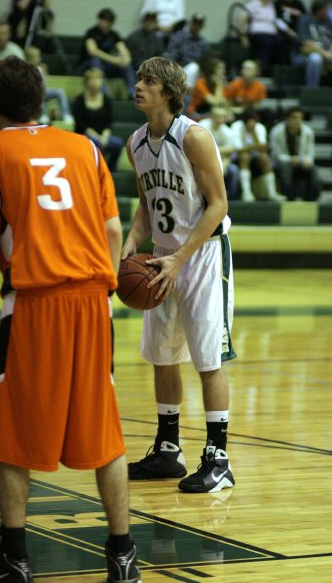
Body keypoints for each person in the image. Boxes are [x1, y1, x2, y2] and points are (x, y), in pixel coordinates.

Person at [0, 56, 141, 583]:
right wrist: (101, 293)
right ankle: (124, 558)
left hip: (34, 304)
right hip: (92, 301)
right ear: (40, 100)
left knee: (13, 431)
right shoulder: (85, 147)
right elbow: (110, 230)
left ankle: (15, 561)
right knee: (105, 428)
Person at [122, 56, 236, 493]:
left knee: (208, 358)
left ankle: (219, 460)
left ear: (168, 91)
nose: (139, 86)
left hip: (203, 253)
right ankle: (168, 450)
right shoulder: (136, 142)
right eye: (138, 79)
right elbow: (147, 204)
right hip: (163, 255)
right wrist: (133, 240)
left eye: (148, 81)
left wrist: (181, 258)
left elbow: (219, 204)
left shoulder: (194, 137)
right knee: (161, 355)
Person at [72, 67, 124, 172]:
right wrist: (96, 136)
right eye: (92, 79)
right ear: (86, 81)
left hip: (102, 135)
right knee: (97, 143)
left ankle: (110, 170)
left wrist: (105, 135)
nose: (95, 82)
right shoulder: (79, 100)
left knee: (118, 144)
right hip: (84, 136)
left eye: (98, 79)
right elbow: (80, 124)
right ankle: (96, 170)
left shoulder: (106, 100)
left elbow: (108, 122)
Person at [77, 8, 136, 97]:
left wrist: (126, 59)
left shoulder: (114, 35)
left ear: (110, 23)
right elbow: (93, 51)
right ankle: (104, 93)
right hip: (87, 66)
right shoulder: (91, 33)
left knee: (126, 65)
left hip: (105, 66)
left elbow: (123, 49)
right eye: (101, 20)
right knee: (95, 60)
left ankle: (132, 92)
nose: (102, 22)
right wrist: (114, 60)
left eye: (105, 20)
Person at [230, 108, 283, 201]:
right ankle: (246, 193)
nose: (250, 123)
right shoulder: (236, 126)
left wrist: (254, 133)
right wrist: (255, 147)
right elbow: (239, 149)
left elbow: (263, 149)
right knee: (245, 157)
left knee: (265, 158)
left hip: (255, 158)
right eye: (247, 121)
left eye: (252, 120)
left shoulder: (259, 127)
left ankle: (272, 193)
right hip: (238, 158)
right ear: (243, 120)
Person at [270, 107, 321, 201]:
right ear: (287, 119)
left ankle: (311, 199)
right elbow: (276, 154)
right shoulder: (276, 131)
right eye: (294, 117)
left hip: (300, 162)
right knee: (286, 168)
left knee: (313, 170)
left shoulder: (308, 132)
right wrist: (291, 159)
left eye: (300, 118)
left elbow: (311, 152)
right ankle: (289, 198)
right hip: (281, 164)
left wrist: (306, 161)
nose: (297, 121)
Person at [243, 0, 292, 73]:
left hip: (271, 34)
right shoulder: (254, 4)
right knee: (266, 42)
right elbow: (242, 17)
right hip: (257, 34)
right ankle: (262, 70)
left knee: (283, 40)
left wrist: (289, 31)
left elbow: (276, 20)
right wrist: (243, 36)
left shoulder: (271, 5)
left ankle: (279, 71)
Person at [198, 106, 240, 200]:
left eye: (222, 116)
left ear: (225, 118)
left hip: (220, 160)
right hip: (201, 159)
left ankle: (229, 199)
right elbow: (200, 148)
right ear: (211, 116)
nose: (219, 119)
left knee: (234, 170)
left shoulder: (228, 132)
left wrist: (212, 149)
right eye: (216, 116)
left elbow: (230, 150)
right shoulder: (202, 126)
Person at [25, 45, 73, 123]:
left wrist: (45, 73)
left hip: (43, 90)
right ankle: (43, 114)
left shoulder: (41, 67)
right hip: (32, 93)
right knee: (39, 93)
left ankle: (66, 114)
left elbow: (43, 82)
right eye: (37, 56)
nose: (40, 58)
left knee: (60, 91)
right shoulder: (26, 69)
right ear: (30, 58)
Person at [163, 12, 210, 90]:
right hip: (178, 70)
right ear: (190, 23)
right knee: (194, 67)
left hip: (196, 73)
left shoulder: (203, 42)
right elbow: (170, 55)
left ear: (202, 26)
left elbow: (206, 60)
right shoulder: (179, 36)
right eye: (195, 23)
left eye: (199, 24)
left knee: (196, 68)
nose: (197, 26)